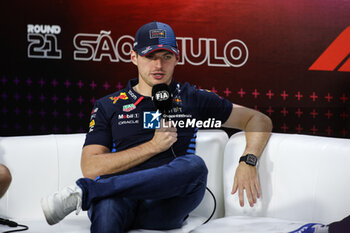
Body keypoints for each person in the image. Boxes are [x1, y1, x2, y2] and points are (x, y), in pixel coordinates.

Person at [41, 21, 272, 232]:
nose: (159, 65)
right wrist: (153, 146)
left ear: (177, 58)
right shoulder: (108, 105)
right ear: (134, 57)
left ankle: (86, 193)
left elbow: (258, 120)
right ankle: (97, 193)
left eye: (166, 56)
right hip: (117, 200)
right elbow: (91, 167)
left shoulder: (192, 97)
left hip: (165, 206)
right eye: (150, 56)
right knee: (109, 205)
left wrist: (248, 160)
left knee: (194, 165)